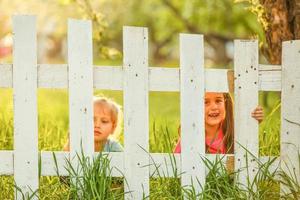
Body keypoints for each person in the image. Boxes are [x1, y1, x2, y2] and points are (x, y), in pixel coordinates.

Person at [174, 92, 264, 154]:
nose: (214, 107)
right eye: (205, 102)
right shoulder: (189, 139)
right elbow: (176, 167)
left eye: (218, 101)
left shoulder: (233, 134)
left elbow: (248, 136)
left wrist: (255, 120)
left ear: (226, 104)